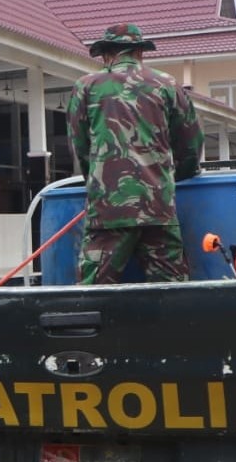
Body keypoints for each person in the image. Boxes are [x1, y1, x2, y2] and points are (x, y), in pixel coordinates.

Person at [67, 23, 204, 285]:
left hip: (108, 211)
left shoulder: (86, 86)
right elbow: (190, 143)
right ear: (140, 52)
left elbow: (80, 146)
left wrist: (98, 185)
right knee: (173, 293)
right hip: (159, 209)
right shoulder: (167, 84)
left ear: (106, 55)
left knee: (93, 294)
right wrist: (173, 180)